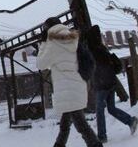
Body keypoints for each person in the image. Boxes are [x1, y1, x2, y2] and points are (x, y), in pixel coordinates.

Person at [37, 17, 102, 147]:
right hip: (77, 85)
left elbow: (41, 64)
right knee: (65, 124)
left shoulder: (53, 42)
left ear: (47, 28)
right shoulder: (73, 38)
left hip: (67, 90)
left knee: (81, 126)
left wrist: (43, 43)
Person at [86, 25, 138, 143]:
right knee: (111, 108)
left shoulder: (93, 49)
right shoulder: (101, 47)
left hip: (102, 84)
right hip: (110, 82)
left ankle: (102, 136)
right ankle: (131, 121)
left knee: (99, 109)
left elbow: (96, 66)